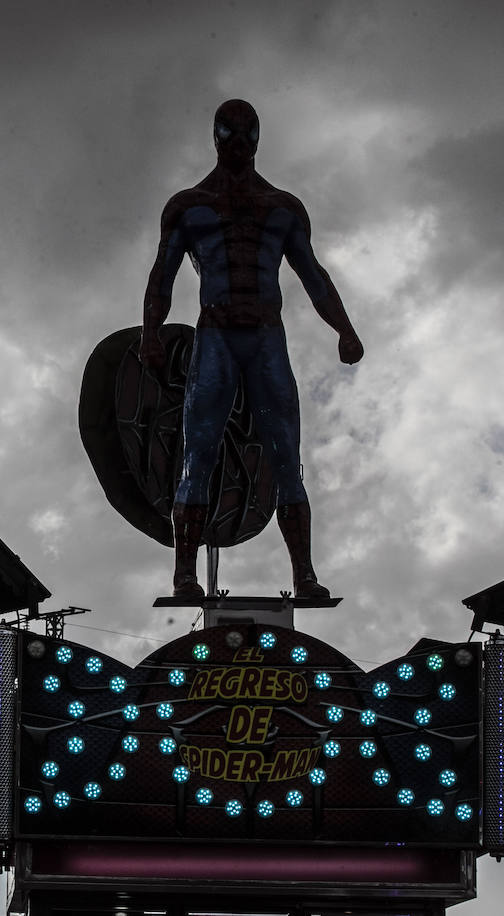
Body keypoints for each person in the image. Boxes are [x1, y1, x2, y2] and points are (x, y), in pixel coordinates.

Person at [139, 99, 364, 600]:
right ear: (215, 136)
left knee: (288, 456)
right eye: (228, 131)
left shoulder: (281, 208)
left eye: (247, 132)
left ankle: (303, 573)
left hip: (265, 335)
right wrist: (149, 333)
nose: (238, 141)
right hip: (217, 333)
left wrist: (344, 329)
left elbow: (314, 275)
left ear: (259, 137)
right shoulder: (189, 206)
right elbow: (163, 273)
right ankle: (184, 575)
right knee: (197, 455)